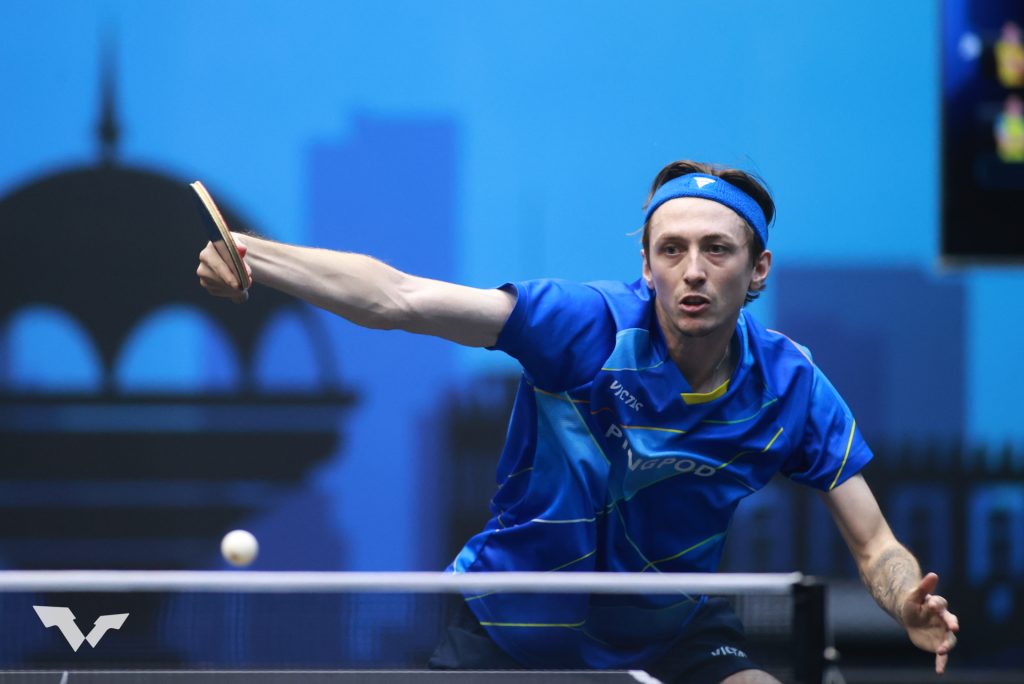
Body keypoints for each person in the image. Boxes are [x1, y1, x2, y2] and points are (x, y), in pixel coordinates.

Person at [197, 160, 959, 683]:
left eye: (717, 250)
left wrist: (905, 599)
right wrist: (251, 254)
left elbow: (875, 543)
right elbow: (398, 297)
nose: (693, 270)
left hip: (671, 623)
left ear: (757, 269)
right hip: (517, 622)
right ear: (647, 266)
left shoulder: (789, 387)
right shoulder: (584, 329)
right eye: (672, 250)